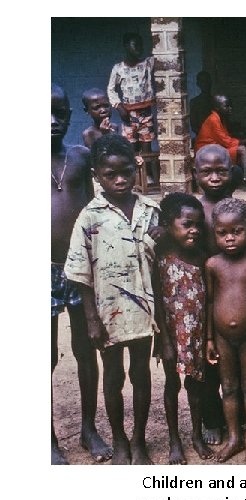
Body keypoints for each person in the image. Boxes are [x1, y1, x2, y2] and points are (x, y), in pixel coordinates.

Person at [65, 133, 160, 465]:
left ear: (135, 169)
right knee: (114, 375)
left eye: (125, 172)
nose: (120, 180)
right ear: (97, 175)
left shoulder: (150, 211)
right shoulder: (89, 217)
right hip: (108, 313)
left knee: (141, 373)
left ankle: (139, 441)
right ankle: (119, 440)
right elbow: (80, 272)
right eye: (110, 174)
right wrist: (91, 317)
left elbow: (160, 259)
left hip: (143, 311)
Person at [51, 84, 112, 465]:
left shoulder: (79, 157)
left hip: (78, 266)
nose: (51, 121)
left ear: (71, 116)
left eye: (59, 112)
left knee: (87, 349)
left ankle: (89, 428)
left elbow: (94, 210)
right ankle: (48, 439)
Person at [206, 198, 246, 462]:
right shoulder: (213, 264)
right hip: (222, 337)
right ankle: (234, 437)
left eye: (237, 231)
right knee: (229, 387)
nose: (230, 239)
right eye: (222, 233)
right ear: (215, 233)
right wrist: (209, 337)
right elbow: (210, 301)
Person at [153, 193, 214, 464]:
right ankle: (174, 440)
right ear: (168, 224)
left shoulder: (202, 257)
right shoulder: (161, 257)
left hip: (197, 334)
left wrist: (209, 337)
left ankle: (197, 436)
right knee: (171, 384)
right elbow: (156, 301)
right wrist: (164, 341)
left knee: (196, 385)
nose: (194, 230)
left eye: (198, 225)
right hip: (170, 335)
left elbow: (209, 301)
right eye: (187, 224)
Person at [191, 144, 234, 442]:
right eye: (207, 172)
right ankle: (212, 418)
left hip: (234, 293)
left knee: (239, 357)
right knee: (207, 363)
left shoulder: (237, 209)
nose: (215, 177)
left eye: (221, 171)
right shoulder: (192, 210)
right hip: (202, 295)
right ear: (195, 175)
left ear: (231, 174)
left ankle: (244, 414)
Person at [107, 32, 159, 184]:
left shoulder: (147, 64)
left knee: (146, 147)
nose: (139, 48)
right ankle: (135, 178)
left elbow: (162, 56)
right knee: (131, 148)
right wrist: (118, 106)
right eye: (135, 45)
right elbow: (111, 89)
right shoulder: (118, 68)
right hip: (128, 116)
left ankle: (148, 177)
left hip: (145, 114)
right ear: (125, 47)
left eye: (141, 45)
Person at [195, 94, 246, 170]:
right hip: (206, 150)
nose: (230, 108)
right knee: (242, 149)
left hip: (216, 147)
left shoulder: (221, 118)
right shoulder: (213, 120)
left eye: (230, 106)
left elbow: (225, 136)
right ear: (217, 108)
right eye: (226, 106)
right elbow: (227, 142)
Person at [189, 71, 213, 136]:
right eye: (202, 81)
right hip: (202, 138)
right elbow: (194, 126)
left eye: (207, 81)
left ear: (210, 82)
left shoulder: (216, 101)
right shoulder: (194, 102)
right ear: (198, 84)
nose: (205, 84)